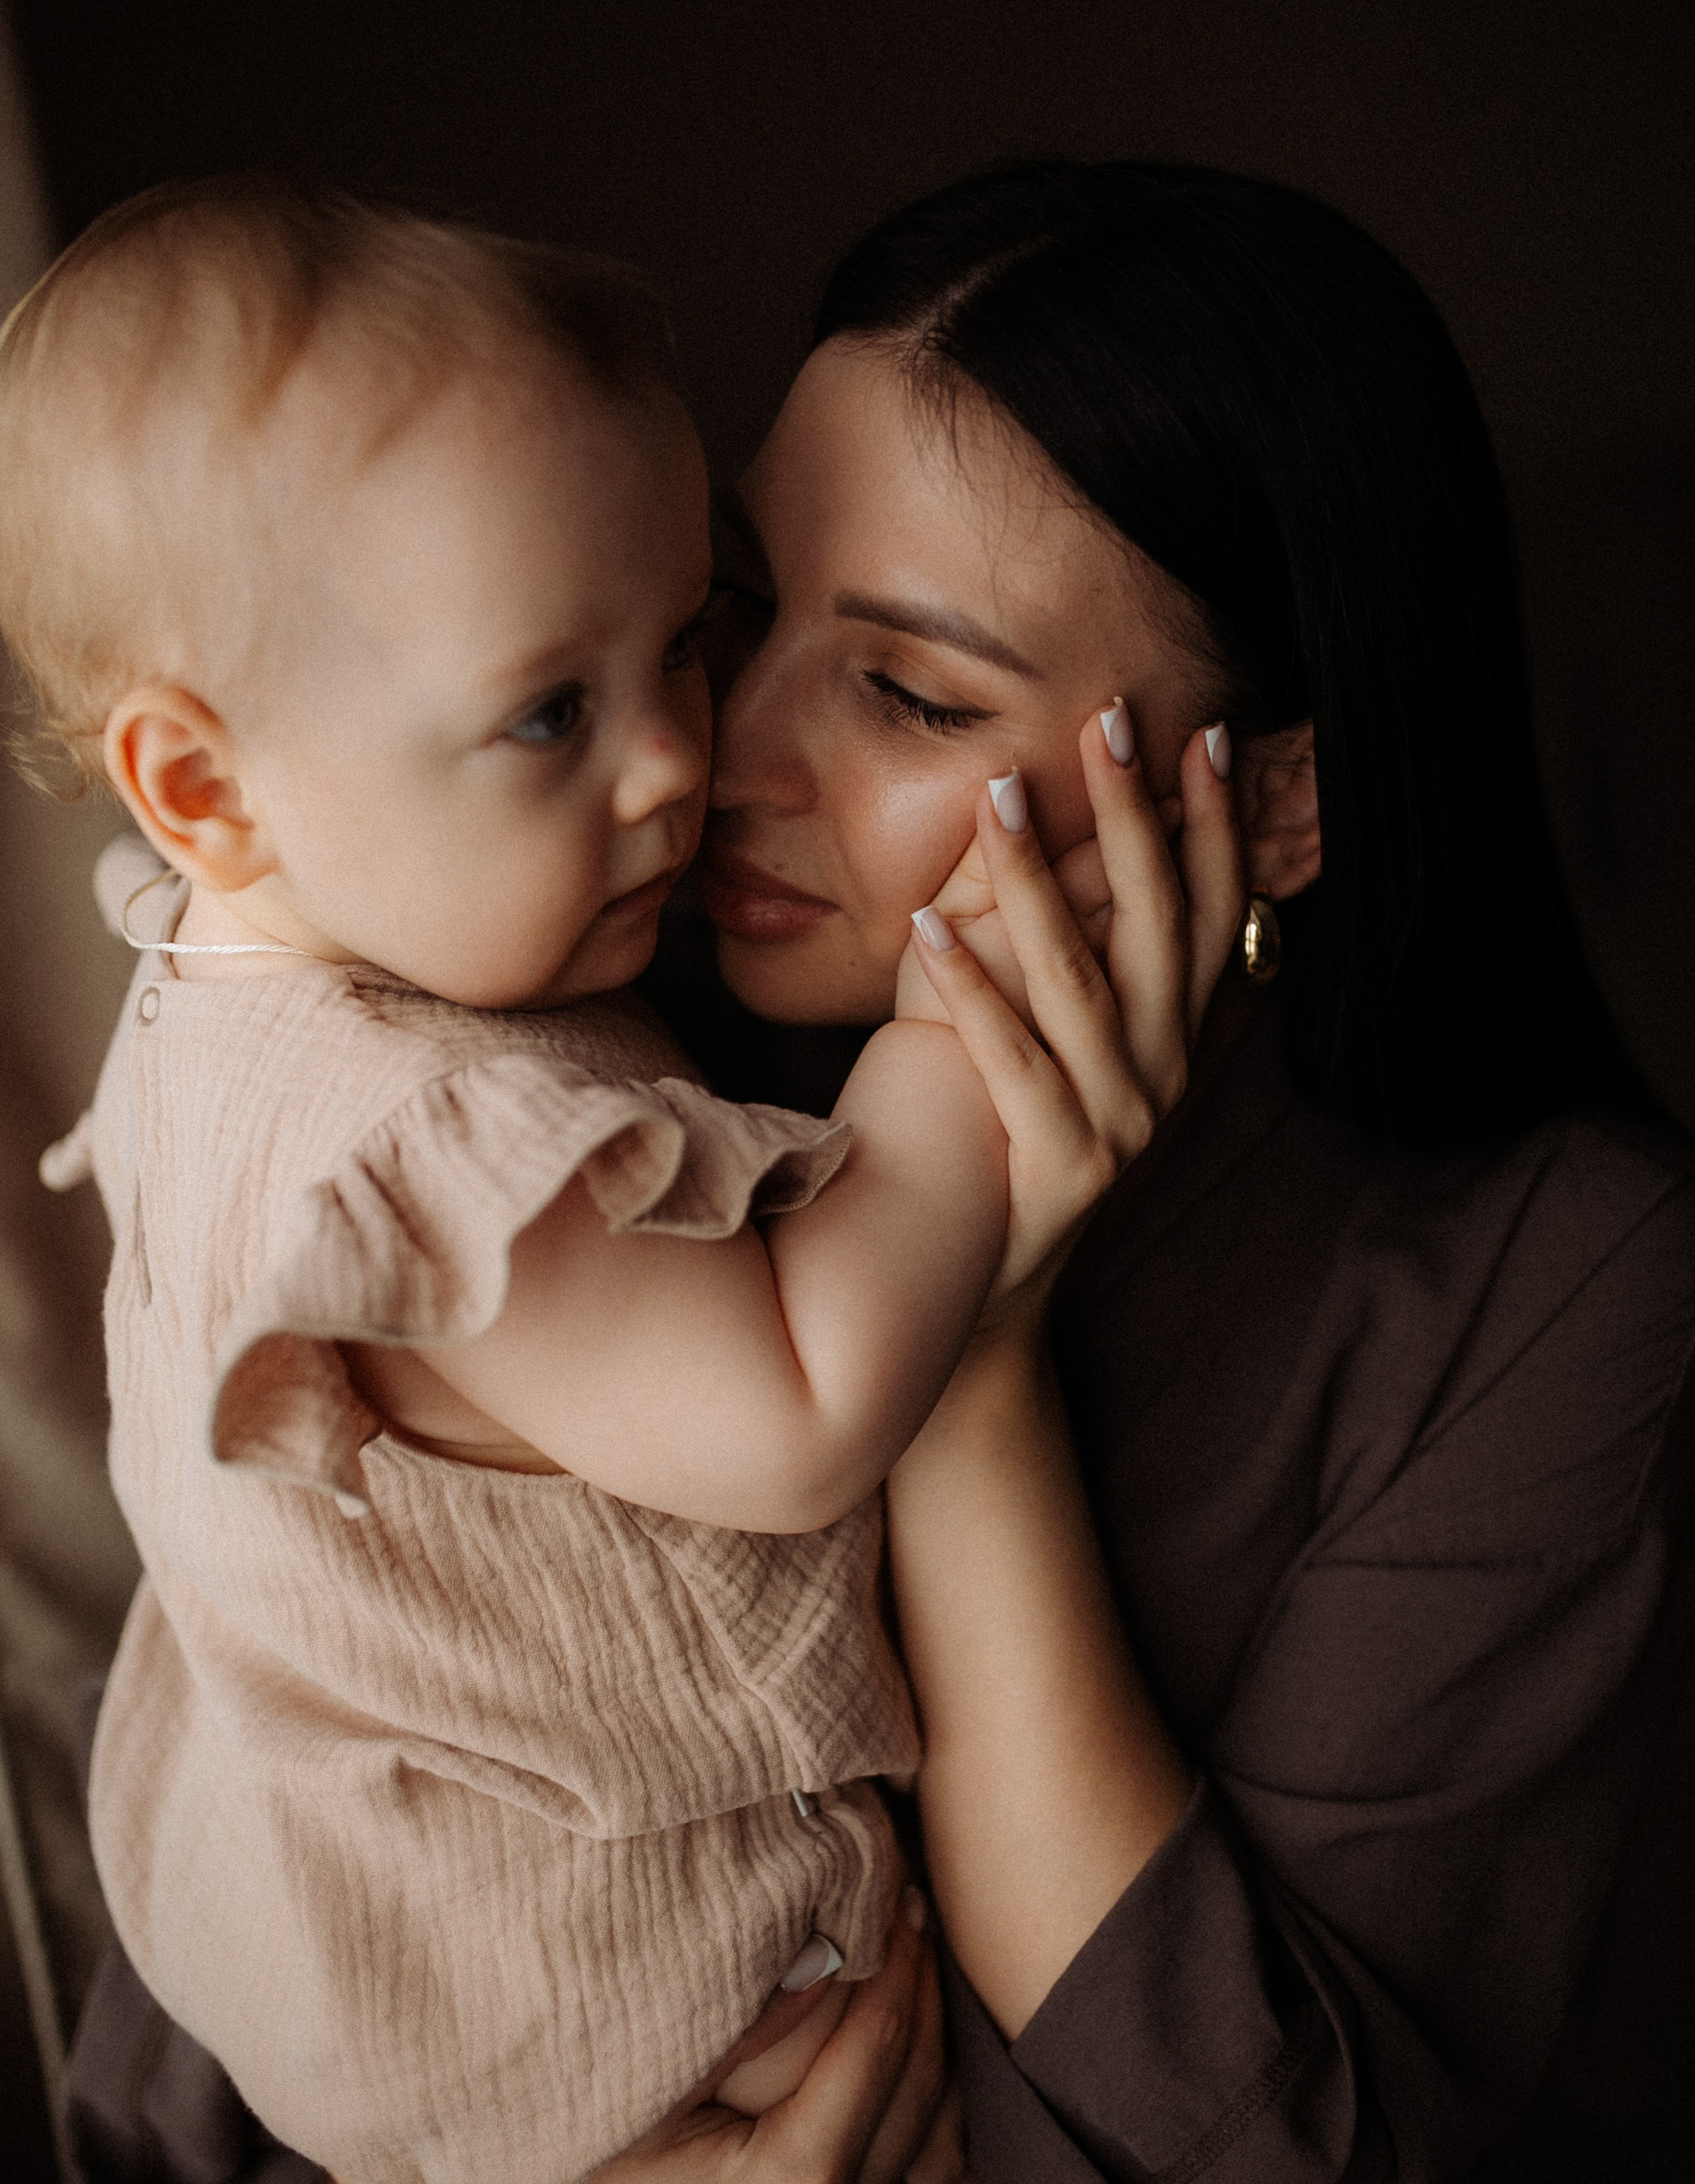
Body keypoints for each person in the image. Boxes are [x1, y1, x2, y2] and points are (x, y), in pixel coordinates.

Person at [1, 176, 1242, 2184]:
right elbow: (800, 1408)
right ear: (207, 789)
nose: (684, 759)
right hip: (605, 2018)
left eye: (679, 642)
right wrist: (950, 1049)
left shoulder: (234, 971)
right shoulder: (432, 1150)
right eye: (553, 712)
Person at [613, 161, 1695, 2180]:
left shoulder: (1554, 1279)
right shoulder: (571, 1107)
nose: (715, 756)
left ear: (1272, 798)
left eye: (910, 692)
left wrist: (971, 1355)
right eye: (734, 601)